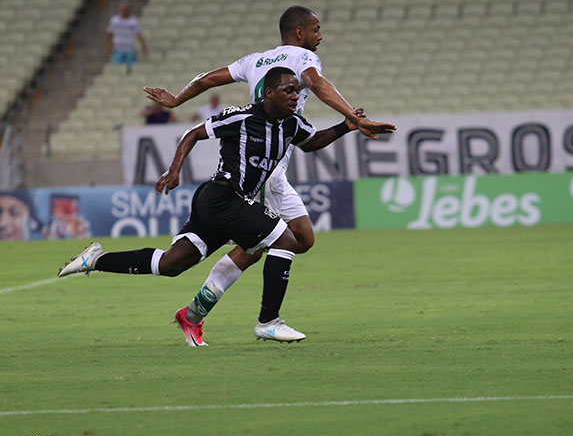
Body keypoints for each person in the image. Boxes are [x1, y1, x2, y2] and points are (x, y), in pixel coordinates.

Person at [141, 6, 395, 343]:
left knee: (300, 239)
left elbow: (207, 79)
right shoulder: (303, 58)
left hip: (276, 167)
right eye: (316, 29)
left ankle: (195, 314)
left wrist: (177, 100)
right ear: (300, 32)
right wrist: (355, 116)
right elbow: (318, 85)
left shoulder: (255, 60)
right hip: (264, 169)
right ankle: (235, 317)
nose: (320, 37)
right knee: (268, 245)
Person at [58, 68, 363, 345]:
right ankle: (269, 320)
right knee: (285, 240)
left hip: (225, 205)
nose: (296, 96)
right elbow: (193, 133)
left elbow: (312, 142)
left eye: (297, 91)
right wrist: (174, 169)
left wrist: (346, 126)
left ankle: (96, 260)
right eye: (289, 91)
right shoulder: (241, 117)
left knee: (171, 264)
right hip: (221, 197)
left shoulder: (291, 124)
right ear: (269, 93)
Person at [106, 2, 148, 73]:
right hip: (117, 49)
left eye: (126, 10)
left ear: (129, 10)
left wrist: (143, 47)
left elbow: (139, 35)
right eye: (123, 10)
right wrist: (108, 46)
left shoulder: (133, 21)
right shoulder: (114, 20)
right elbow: (109, 34)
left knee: (130, 69)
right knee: (115, 69)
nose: (124, 11)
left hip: (129, 48)